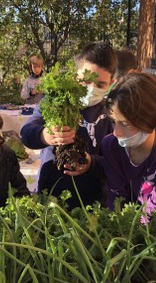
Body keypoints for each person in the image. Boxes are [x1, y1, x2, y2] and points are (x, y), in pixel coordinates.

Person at [20, 41, 117, 208]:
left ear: (112, 83)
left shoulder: (112, 113)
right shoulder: (54, 101)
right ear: (75, 75)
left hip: (92, 195)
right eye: (85, 81)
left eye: (100, 85)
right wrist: (45, 135)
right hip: (52, 187)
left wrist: (92, 164)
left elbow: (116, 159)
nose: (91, 88)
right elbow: (26, 133)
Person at [102, 73, 156, 215]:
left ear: (149, 120)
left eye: (125, 124)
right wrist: (115, 224)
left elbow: (155, 212)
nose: (116, 132)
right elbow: (115, 195)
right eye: (113, 122)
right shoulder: (110, 146)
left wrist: (131, 234)